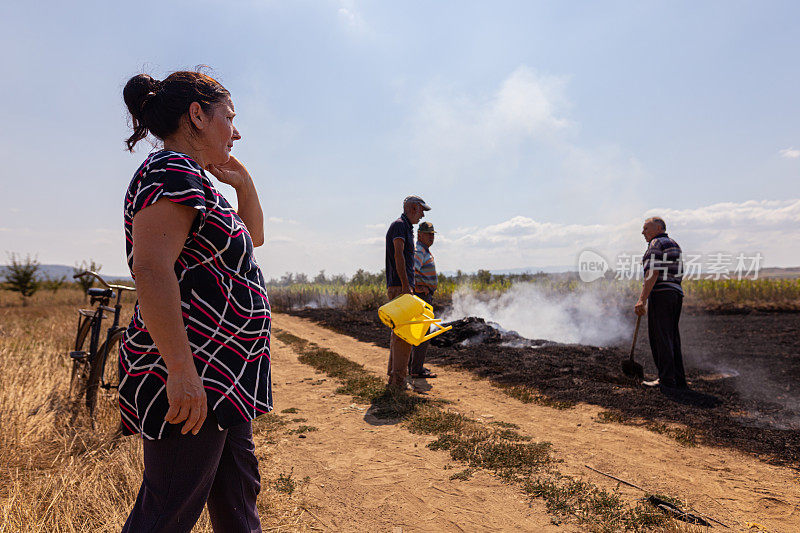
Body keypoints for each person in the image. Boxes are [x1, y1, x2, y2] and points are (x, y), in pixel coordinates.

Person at [119, 70, 271, 532]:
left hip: (224, 379)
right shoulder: (171, 172)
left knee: (238, 502)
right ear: (197, 116)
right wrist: (182, 372)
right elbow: (151, 269)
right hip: (195, 378)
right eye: (230, 117)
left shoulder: (198, 182)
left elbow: (255, 238)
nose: (237, 131)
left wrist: (242, 183)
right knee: (166, 514)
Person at [634, 216, 687, 390]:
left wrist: (642, 299)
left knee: (660, 337)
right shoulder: (674, 244)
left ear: (658, 228)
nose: (643, 232)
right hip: (675, 294)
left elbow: (653, 272)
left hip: (662, 294)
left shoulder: (656, 244)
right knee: (671, 337)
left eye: (646, 228)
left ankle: (666, 380)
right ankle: (678, 379)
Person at [385, 195, 429, 390]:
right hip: (400, 287)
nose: (422, 215)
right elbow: (398, 254)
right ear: (412, 208)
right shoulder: (399, 226)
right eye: (421, 211)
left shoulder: (405, 227)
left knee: (398, 334)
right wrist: (405, 286)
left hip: (401, 286)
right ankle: (399, 382)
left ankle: (394, 378)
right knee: (404, 336)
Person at [409, 221, 438, 379]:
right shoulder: (419, 250)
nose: (431, 237)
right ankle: (416, 369)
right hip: (422, 297)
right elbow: (412, 271)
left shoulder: (423, 250)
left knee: (419, 332)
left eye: (433, 234)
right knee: (422, 332)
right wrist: (419, 288)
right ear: (420, 235)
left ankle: (414, 367)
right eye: (428, 234)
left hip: (424, 296)